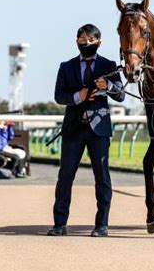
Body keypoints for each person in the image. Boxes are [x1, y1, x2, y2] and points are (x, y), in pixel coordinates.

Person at [48, 24, 125, 237]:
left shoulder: (109, 66)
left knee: (102, 176)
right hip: (73, 128)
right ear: (76, 41)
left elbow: (121, 95)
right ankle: (59, 224)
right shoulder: (66, 66)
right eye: (82, 40)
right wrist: (78, 97)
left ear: (99, 42)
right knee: (65, 176)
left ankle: (102, 225)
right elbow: (59, 96)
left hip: (98, 129)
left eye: (91, 40)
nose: (86, 43)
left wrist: (107, 86)